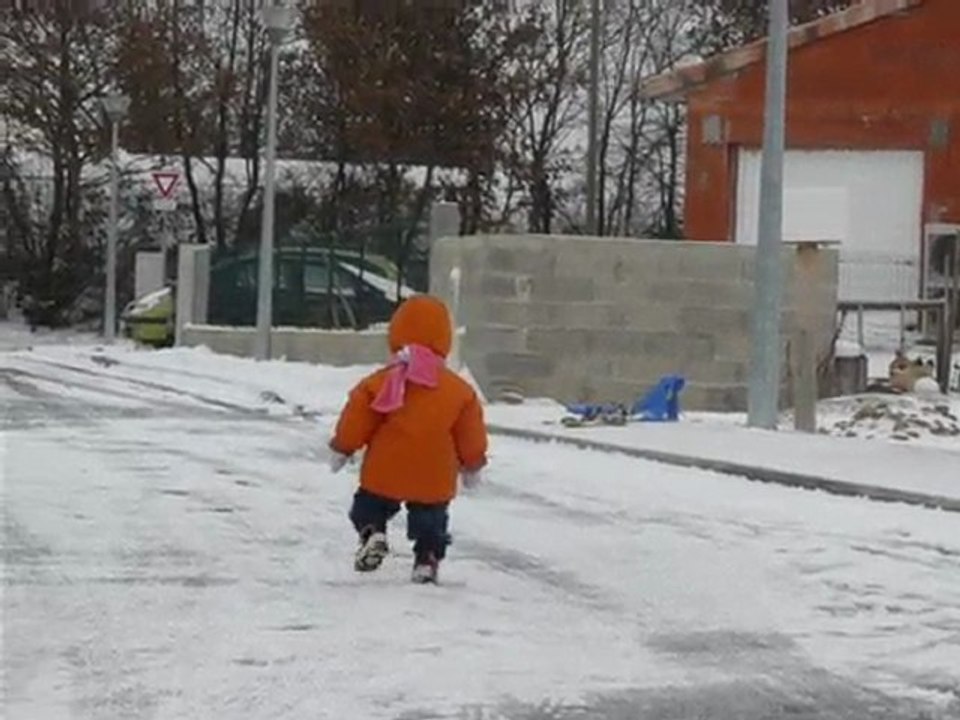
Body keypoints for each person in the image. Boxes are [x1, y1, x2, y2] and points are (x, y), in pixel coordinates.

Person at [327, 295, 488, 583]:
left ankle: (372, 532)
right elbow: (470, 432)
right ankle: (427, 558)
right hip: (434, 474)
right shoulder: (458, 390)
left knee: (368, 506)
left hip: (385, 467)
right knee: (431, 520)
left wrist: (343, 447)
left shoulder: (382, 381)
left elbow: (357, 418)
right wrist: (472, 464)